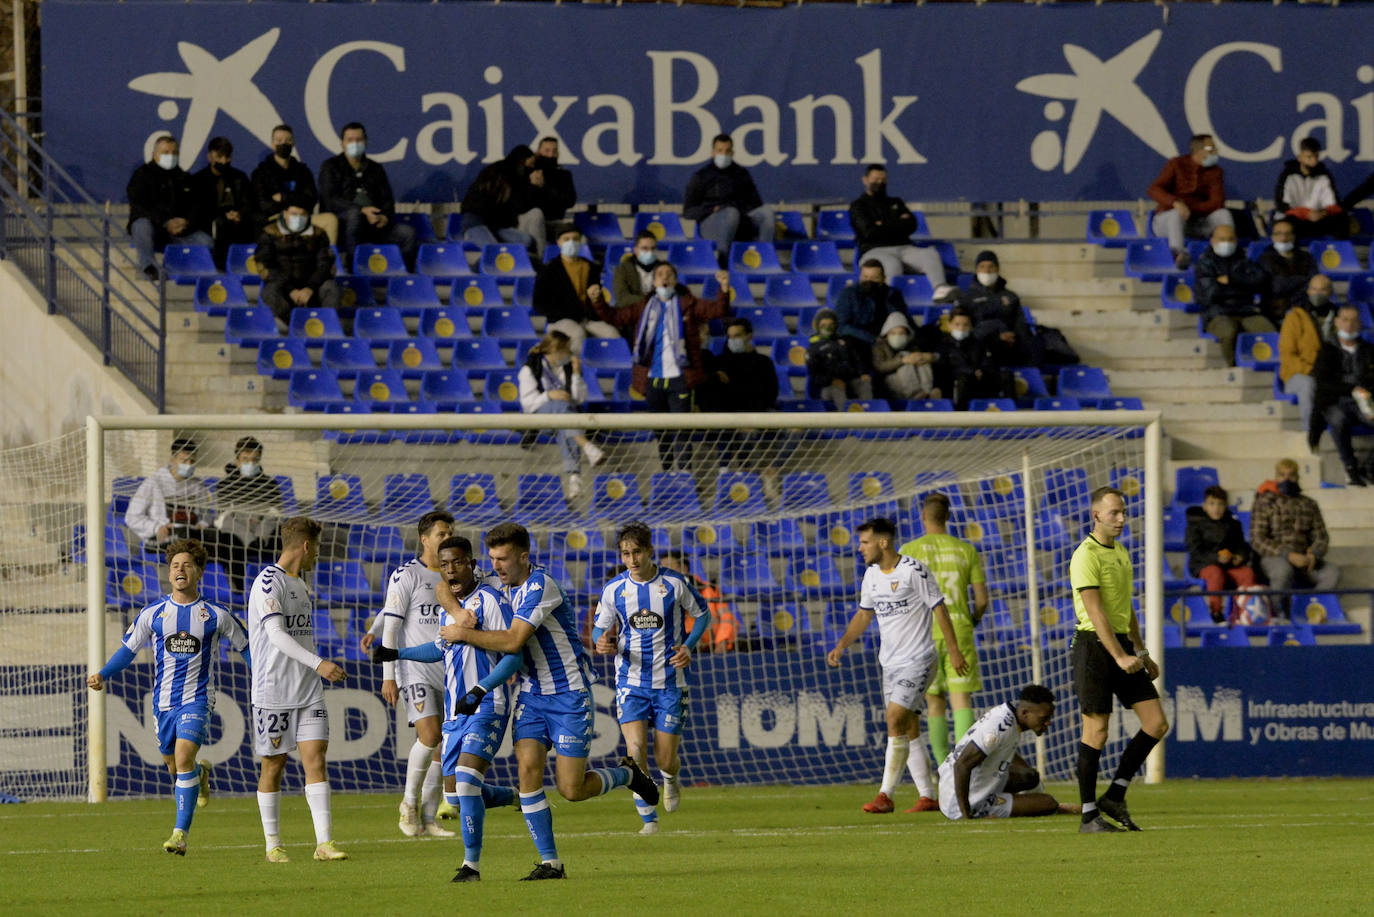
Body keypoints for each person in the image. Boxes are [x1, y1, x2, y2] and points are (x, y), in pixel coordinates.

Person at [440, 522, 659, 880]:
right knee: (528, 772)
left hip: (568, 693)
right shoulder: (496, 581)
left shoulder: (542, 586)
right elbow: (444, 584)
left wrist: (462, 632)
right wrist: (457, 609)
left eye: (503, 559)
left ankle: (627, 774)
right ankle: (551, 863)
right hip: (531, 693)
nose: (496, 566)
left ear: (523, 557)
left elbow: (513, 640)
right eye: (492, 558)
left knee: (572, 789)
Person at [371, 534, 518, 882]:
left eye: (457, 563)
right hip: (455, 713)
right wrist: (398, 653)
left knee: (465, 783)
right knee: (455, 795)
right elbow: (440, 649)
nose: (451, 570)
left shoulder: (491, 601)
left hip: (487, 705)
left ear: (472, 564)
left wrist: (481, 689)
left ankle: (471, 866)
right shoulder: (446, 611)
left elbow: (514, 656)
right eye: (445, 564)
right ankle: (518, 796)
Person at [86, 539, 248, 855]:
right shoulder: (153, 613)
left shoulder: (216, 614)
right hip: (163, 703)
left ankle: (179, 835)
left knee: (184, 757)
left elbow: (245, 647)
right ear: (168, 572)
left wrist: (264, 678)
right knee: (175, 768)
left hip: (198, 699)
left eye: (187, 565)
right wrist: (103, 674)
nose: (180, 570)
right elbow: (128, 650)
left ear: (199, 572)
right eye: (175, 565)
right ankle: (201, 774)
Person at [827, 517, 966, 815]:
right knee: (908, 726)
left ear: (883, 542)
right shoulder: (871, 576)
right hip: (890, 664)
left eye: (865, 542)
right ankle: (928, 796)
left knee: (893, 718)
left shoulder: (913, 570)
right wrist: (841, 645)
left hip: (919, 660)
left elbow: (939, 608)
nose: (860, 548)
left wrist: (954, 651)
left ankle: (885, 795)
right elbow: (863, 615)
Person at [592, 523, 711, 834]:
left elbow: (702, 614)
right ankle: (649, 819)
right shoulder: (614, 589)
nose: (632, 559)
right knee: (635, 751)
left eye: (637, 552)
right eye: (625, 554)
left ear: (649, 551)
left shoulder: (674, 583)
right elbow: (598, 629)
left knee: (665, 759)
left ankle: (670, 778)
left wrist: (688, 645)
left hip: (670, 682)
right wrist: (601, 642)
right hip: (630, 682)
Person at [247, 516, 349, 863]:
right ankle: (272, 844)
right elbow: (276, 635)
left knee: (315, 758)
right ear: (306, 546)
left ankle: (324, 843)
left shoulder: (301, 585)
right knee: (273, 765)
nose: (317, 554)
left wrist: (314, 670)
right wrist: (319, 663)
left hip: (308, 690)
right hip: (274, 690)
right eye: (316, 548)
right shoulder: (268, 582)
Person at [1069, 486, 1168, 833]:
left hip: (1122, 645)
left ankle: (1114, 795)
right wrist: (1119, 656)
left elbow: (1125, 608)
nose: (1122, 519)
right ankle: (1088, 815)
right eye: (1114, 513)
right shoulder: (1085, 555)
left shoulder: (1122, 552)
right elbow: (1095, 611)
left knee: (1156, 723)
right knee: (1096, 730)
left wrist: (1140, 651)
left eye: (1123, 512)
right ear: (1096, 515)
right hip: (1093, 647)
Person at [593, 262, 731, 470]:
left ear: (675, 280)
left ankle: (684, 475)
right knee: (661, 431)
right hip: (653, 380)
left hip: (680, 379)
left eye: (669, 274)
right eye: (659, 274)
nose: (664, 277)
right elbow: (614, 317)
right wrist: (597, 300)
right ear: (654, 281)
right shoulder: (642, 307)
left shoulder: (689, 305)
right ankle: (666, 472)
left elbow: (719, 310)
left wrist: (724, 288)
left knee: (682, 430)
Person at [378, 510, 460, 839]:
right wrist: (389, 675)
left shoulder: (458, 574)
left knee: (443, 743)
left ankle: (428, 818)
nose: (448, 537)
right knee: (429, 734)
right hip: (415, 670)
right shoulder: (406, 575)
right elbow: (390, 627)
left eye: (450, 533)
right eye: (441, 534)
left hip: (451, 671)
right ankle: (408, 804)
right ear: (424, 539)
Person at [899, 493, 987, 774]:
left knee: (934, 703)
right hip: (959, 630)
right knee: (961, 700)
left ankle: (942, 770)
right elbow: (982, 600)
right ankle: (962, 767)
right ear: (948, 517)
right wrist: (970, 622)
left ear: (923, 516)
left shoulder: (909, 550)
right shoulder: (966, 550)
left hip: (923, 632)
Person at [939, 685, 1076, 821]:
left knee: (1030, 776)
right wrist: (966, 816)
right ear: (1025, 713)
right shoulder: (999, 728)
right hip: (959, 802)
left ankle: (1032, 805)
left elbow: (1002, 751)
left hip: (972, 786)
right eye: (1044, 718)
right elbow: (961, 765)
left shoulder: (1009, 717)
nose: (1048, 723)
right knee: (1048, 803)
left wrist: (1028, 773)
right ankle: (979, 811)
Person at [124, 437, 245, 591]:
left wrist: (203, 523)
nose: (188, 465)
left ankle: (238, 589)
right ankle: (182, 590)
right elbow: (131, 517)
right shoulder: (153, 483)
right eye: (184, 460)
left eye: (192, 461)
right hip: (163, 537)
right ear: (172, 460)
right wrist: (156, 527)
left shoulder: (197, 485)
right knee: (185, 535)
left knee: (229, 539)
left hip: (193, 534)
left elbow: (206, 515)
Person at [318, 121, 417, 272]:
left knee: (407, 234)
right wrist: (362, 210)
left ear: (366, 142)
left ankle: (402, 276)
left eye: (359, 140)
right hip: (343, 226)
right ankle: (355, 269)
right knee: (354, 215)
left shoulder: (376, 169)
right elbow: (330, 200)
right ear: (342, 143)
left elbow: (387, 200)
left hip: (374, 225)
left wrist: (384, 216)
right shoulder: (330, 167)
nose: (355, 143)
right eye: (350, 140)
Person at [517, 330, 605, 499]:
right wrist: (549, 395)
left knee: (565, 422)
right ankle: (586, 445)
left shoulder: (567, 368)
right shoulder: (530, 369)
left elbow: (578, 399)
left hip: (564, 418)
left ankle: (574, 479)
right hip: (539, 419)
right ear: (554, 349)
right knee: (562, 408)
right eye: (566, 350)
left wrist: (577, 373)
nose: (569, 354)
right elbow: (527, 404)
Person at [1249, 459, 1339, 616]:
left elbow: (1321, 536)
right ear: (1276, 477)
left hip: (1304, 559)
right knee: (1283, 571)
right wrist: (1288, 555)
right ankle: (1275, 614)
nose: (1286, 479)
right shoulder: (1264, 502)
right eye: (1282, 475)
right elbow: (1257, 539)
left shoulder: (1309, 504)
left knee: (1332, 573)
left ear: (1297, 477)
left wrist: (1314, 554)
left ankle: (1308, 610)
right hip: (1274, 557)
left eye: (1291, 475)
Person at [127, 135, 212, 280]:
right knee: (141, 224)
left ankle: (185, 268)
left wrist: (185, 221)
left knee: (206, 242)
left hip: (178, 232)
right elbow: (139, 205)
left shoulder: (184, 177)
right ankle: (149, 267)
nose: (170, 156)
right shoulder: (142, 175)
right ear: (154, 155)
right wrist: (165, 222)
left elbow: (196, 205)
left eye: (174, 153)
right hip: (155, 229)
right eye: (165, 152)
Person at [709, 317, 784, 478]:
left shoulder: (764, 363)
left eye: (737, 336)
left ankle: (767, 470)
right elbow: (717, 396)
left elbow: (770, 394)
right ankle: (734, 473)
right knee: (736, 431)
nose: (733, 340)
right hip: (728, 416)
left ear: (749, 336)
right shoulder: (720, 363)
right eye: (730, 336)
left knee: (793, 430)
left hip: (757, 414)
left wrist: (751, 417)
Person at [1148, 133, 1233, 269]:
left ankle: (1228, 255)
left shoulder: (1216, 172)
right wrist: (1175, 203)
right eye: (1212, 149)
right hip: (1168, 223)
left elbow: (1217, 202)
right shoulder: (1176, 164)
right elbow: (1154, 189)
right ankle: (1178, 255)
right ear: (1198, 151)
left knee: (1223, 214)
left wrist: (1188, 208)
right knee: (1176, 214)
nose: (1216, 152)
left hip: (1197, 222)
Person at [848, 164, 946, 283]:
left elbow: (911, 225)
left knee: (930, 255)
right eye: (876, 179)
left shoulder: (896, 202)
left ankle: (940, 290)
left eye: (883, 180)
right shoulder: (858, 205)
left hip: (905, 248)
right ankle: (890, 295)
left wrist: (882, 224)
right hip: (874, 250)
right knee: (891, 264)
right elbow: (869, 233)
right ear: (865, 180)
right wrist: (898, 223)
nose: (880, 182)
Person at [255, 195, 341, 326]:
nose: (298, 218)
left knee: (331, 288)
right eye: (294, 214)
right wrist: (290, 290)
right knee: (269, 293)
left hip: (312, 287)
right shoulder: (269, 233)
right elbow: (266, 266)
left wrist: (310, 288)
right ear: (285, 213)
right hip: (284, 286)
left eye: (302, 215)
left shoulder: (319, 234)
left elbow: (325, 265)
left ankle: (324, 325)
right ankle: (296, 325)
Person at [683, 133, 774, 256]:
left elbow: (756, 203)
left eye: (727, 151)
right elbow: (688, 212)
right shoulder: (701, 176)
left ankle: (764, 257)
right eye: (720, 150)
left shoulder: (741, 174)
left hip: (740, 222)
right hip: (711, 223)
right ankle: (723, 260)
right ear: (713, 153)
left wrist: (741, 208)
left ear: (732, 153)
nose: (723, 154)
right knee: (731, 213)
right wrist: (712, 209)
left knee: (767, 212)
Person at [1195, 223, 1273, 367]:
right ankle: (1233, 369)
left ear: (1236, 241)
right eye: (1222, 239)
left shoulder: (1244, 261)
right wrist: (1244, 286)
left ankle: (1267, 369)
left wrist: (1231, 280)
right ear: (1213, 241)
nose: (1227, 243)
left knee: (1268, 331)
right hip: (1217, 313)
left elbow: (1261, 282)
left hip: (1247, 311)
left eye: (1230, 239)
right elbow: (1212, 293)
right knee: (1228, 332)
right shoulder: (1204, 265)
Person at [1312, 305, 1374, 484]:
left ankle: (1370, 467)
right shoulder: (1326, 350)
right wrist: (1351, 389)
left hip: (1364, 401)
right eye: (1345, 320)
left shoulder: (1369, 350)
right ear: (1337, 322)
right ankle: (1350, 466)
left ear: (1360, 324)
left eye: (1354, 320)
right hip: (1334, 401)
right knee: (1338, 420)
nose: (1349, 324)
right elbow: (1323, 385)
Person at [1185, 485, 1259, 623]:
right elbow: (1195, 552)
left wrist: (1239, 557)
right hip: (1205, 565)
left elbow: (1241, 546)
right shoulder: (1194, 526)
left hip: (1230, 566)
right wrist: (1217, 558)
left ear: (1225, 506)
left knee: (1247, 573)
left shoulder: (1234, 524)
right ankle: (1216, 612)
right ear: (1204, 506)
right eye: (1212, 504)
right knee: (1215, 573)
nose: (1216, 508)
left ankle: (1246, 612)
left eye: (1220, 504)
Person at [532, 228, 618, 347]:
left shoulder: (591, 267)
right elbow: (538, 304)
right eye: (566, 239)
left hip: (587, 319)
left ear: (580, 241)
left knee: (612, 334)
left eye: (575, 239)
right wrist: (563, 312)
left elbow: (597, 300)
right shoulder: (548, 269)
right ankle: (574, 360)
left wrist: (596, 298)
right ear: (559, 242)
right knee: (577, 334)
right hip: (560, 320)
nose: (571, 242)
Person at [1279, 274, 1336, 443]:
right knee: (1308, 384)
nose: (1317, 293)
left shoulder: (1339, 317)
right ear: (1308, 291)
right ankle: (1310, 435)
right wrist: (1312, 370)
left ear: (1330, 292)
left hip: (1330, 374)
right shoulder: (1295, 317)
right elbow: (1287, 355)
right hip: (1298, 375)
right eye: (1314, 289)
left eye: (1322, 289)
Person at [960, 250, 1037, 369]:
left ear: (997, 269)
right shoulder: (967, 298)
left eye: (991, 266)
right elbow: (965, 326)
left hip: (1009, 344)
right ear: (977, 270)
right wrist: (996, 337)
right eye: (982, 267)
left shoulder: (1010, 297)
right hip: (980, 345)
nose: (987, 271)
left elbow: (1019, 323)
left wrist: (1013, 335)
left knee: (1034, 343)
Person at [214, 435, 283, 566]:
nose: (250, 464)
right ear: (237, 461)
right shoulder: (225, 485)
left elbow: (276, 514)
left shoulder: (270, 484)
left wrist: (260, 536)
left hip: (263, 535)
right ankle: (237, 579)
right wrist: (248, 539)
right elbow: (223, 518)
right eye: (245, 459)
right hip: (237, 534)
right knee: (227, 540)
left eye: (254, 460)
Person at [192, 137, 256, 270]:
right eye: (219, 157)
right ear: (209, 157)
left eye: (227, 157)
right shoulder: (198, 180)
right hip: (212, 223)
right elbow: (199, 210)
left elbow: (249, 202)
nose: (224, 161)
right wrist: (223, 216)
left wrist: (239, 214)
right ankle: (221, 270)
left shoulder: (240, 177)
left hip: (238, 220)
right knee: (222, 224)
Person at [459, 145, 536, 251]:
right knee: (493, 250)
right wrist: (532, 186)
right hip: (475, 222)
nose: (532, 169)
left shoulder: (511, 174)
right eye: (530, 164)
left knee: (526, 241)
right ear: (522, 162)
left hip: (496, 226)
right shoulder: (502, 174)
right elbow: (517, 205)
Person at [660, 550, 738, 652]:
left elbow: (727, 618)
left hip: (712, 649)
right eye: (662, 567)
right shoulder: (659, 594)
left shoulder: (710, 590)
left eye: (668, 566)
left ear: (684, 569)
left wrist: (723, 641)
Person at [1274, 137, 1346, 241]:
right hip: (1295, 219)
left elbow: (1334, 204)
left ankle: (1339, 249)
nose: (1314, 161)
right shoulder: (1287, 176)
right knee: (1287, 225)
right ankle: (1292, 250)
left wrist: (1323, 213)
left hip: (1319, 219)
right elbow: (1282, 205)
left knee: (1341, 219)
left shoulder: (1324, 175)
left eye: (1316, 156)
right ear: (1300, 157)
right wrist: (1305, 213)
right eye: (1309, 157)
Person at [251, 124, 321, 228]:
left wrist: (284, 197)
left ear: (293, 143)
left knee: (330, 220)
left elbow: (310, 199)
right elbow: (263, 204)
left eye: (288, 140)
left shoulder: (303, 171)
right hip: (273, 219)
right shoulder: (260, 173)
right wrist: (288, 211)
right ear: (272, 144)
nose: (283, 143)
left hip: (302, 216)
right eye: (279, 140)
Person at [833, 259, 911, 348]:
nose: (869, 281)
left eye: (874, 278)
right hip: (858, 339)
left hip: (887, 338)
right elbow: (841, 326)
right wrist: (871, 339)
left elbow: (902, 318)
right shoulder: (848, 294)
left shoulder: (893, 294)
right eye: (865, 277)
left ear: (883, 278)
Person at [939, 306, 1005, 409]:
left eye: (965, 325)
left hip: (979, 379)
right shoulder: (943, 344)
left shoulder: (978, 343)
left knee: (1005, 376)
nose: (961, 328)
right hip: (956, 382)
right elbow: (946, 368)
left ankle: (1011, 412)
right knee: (963, 379)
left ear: (971, 326)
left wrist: (981, 371)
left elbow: (987, 361)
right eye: (957, 324)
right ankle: (960, 415)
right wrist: (972, 372)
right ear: (949, 325)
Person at [806, 307, 873, 410]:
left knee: (864, 384)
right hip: (828, 387)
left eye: (831, 324)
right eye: (823, 325)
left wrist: (863, 373)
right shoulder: (813, 348)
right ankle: (845, 417)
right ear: (818, 326)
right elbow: (815, 376)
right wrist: (831, 381)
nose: (828, 328)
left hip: (849, 381)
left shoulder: (845, 341)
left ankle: (868, 414)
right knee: (837, 389)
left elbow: (857, 360)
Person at [1257, 219, 1319, 323]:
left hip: (1305, 307)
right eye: (1278, 234)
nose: (1283, 238)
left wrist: (1288, 281)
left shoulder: (1306, 257)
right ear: (1272, 237)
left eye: (1288, 234)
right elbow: (1278, 287)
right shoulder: (1265, 259)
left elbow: (1314, 282)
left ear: (1294, 236)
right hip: (1277, 311)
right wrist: (1302, 281)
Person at [872, 312, 939, 401]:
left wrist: (930, 357)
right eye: (893, 333)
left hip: (917, 381)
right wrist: (902, 360)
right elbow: (880, 367)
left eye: (901, 333)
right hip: (891, 382)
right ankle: (914, 394)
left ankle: (927, 392)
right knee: (905, 355)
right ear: (886, 334)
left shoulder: (912, 344)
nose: (897, 336)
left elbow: (939, 356)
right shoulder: (879, 346)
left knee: (920, 358)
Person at [527, 136, 578, 237]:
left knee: (573, 234)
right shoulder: (529, 173)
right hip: (531, 222)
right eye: (547, 151)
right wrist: (532, 185)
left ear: (558, 153)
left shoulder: (564, 175)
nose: (550, 155)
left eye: (554, 151)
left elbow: (570, 201)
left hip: (554, 222)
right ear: (538, 152)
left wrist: (544, 187)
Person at [611, 230, 661, 314]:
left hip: (656, 314)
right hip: (629, 314)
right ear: (636, 250)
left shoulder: (663, 269)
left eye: (653, 248)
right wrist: (649, 301)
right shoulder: (623, 269)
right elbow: (622, 298)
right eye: (645, 248)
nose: (650, 252)